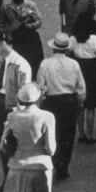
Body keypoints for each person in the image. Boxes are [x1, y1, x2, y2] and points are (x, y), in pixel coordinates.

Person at [1, 83, 56, 192]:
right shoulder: (47, 116)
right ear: (39, 98)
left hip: (18, 167)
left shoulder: (12, 116)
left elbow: (3, 144)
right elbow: (51, 148)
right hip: (40, 167)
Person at [36, 34, 86, 181]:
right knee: (68, 135)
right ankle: (63, 167)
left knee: (52, 133)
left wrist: (40, 103)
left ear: (53, 49)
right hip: (69, 101)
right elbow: (81, 87)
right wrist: (80, 102)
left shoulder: (45, 64)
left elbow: (41, 87)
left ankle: (54, 161)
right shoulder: (74, 64)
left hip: (51, 101)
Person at [0, 0, 45, 75]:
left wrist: (32, 25)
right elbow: (0, 26)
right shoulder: (6, 8)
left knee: (34, 61)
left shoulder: (30, 5)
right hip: (15, 39)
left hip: (30, 37)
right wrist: (7, 33)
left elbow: (39, 20)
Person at [72, 26, 96, 144]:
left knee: (80, 104)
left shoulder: (73, 39)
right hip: (92, 70)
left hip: (79, 67)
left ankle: (81, 134)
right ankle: (90, 135)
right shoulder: (95, 39)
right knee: (91, 105)